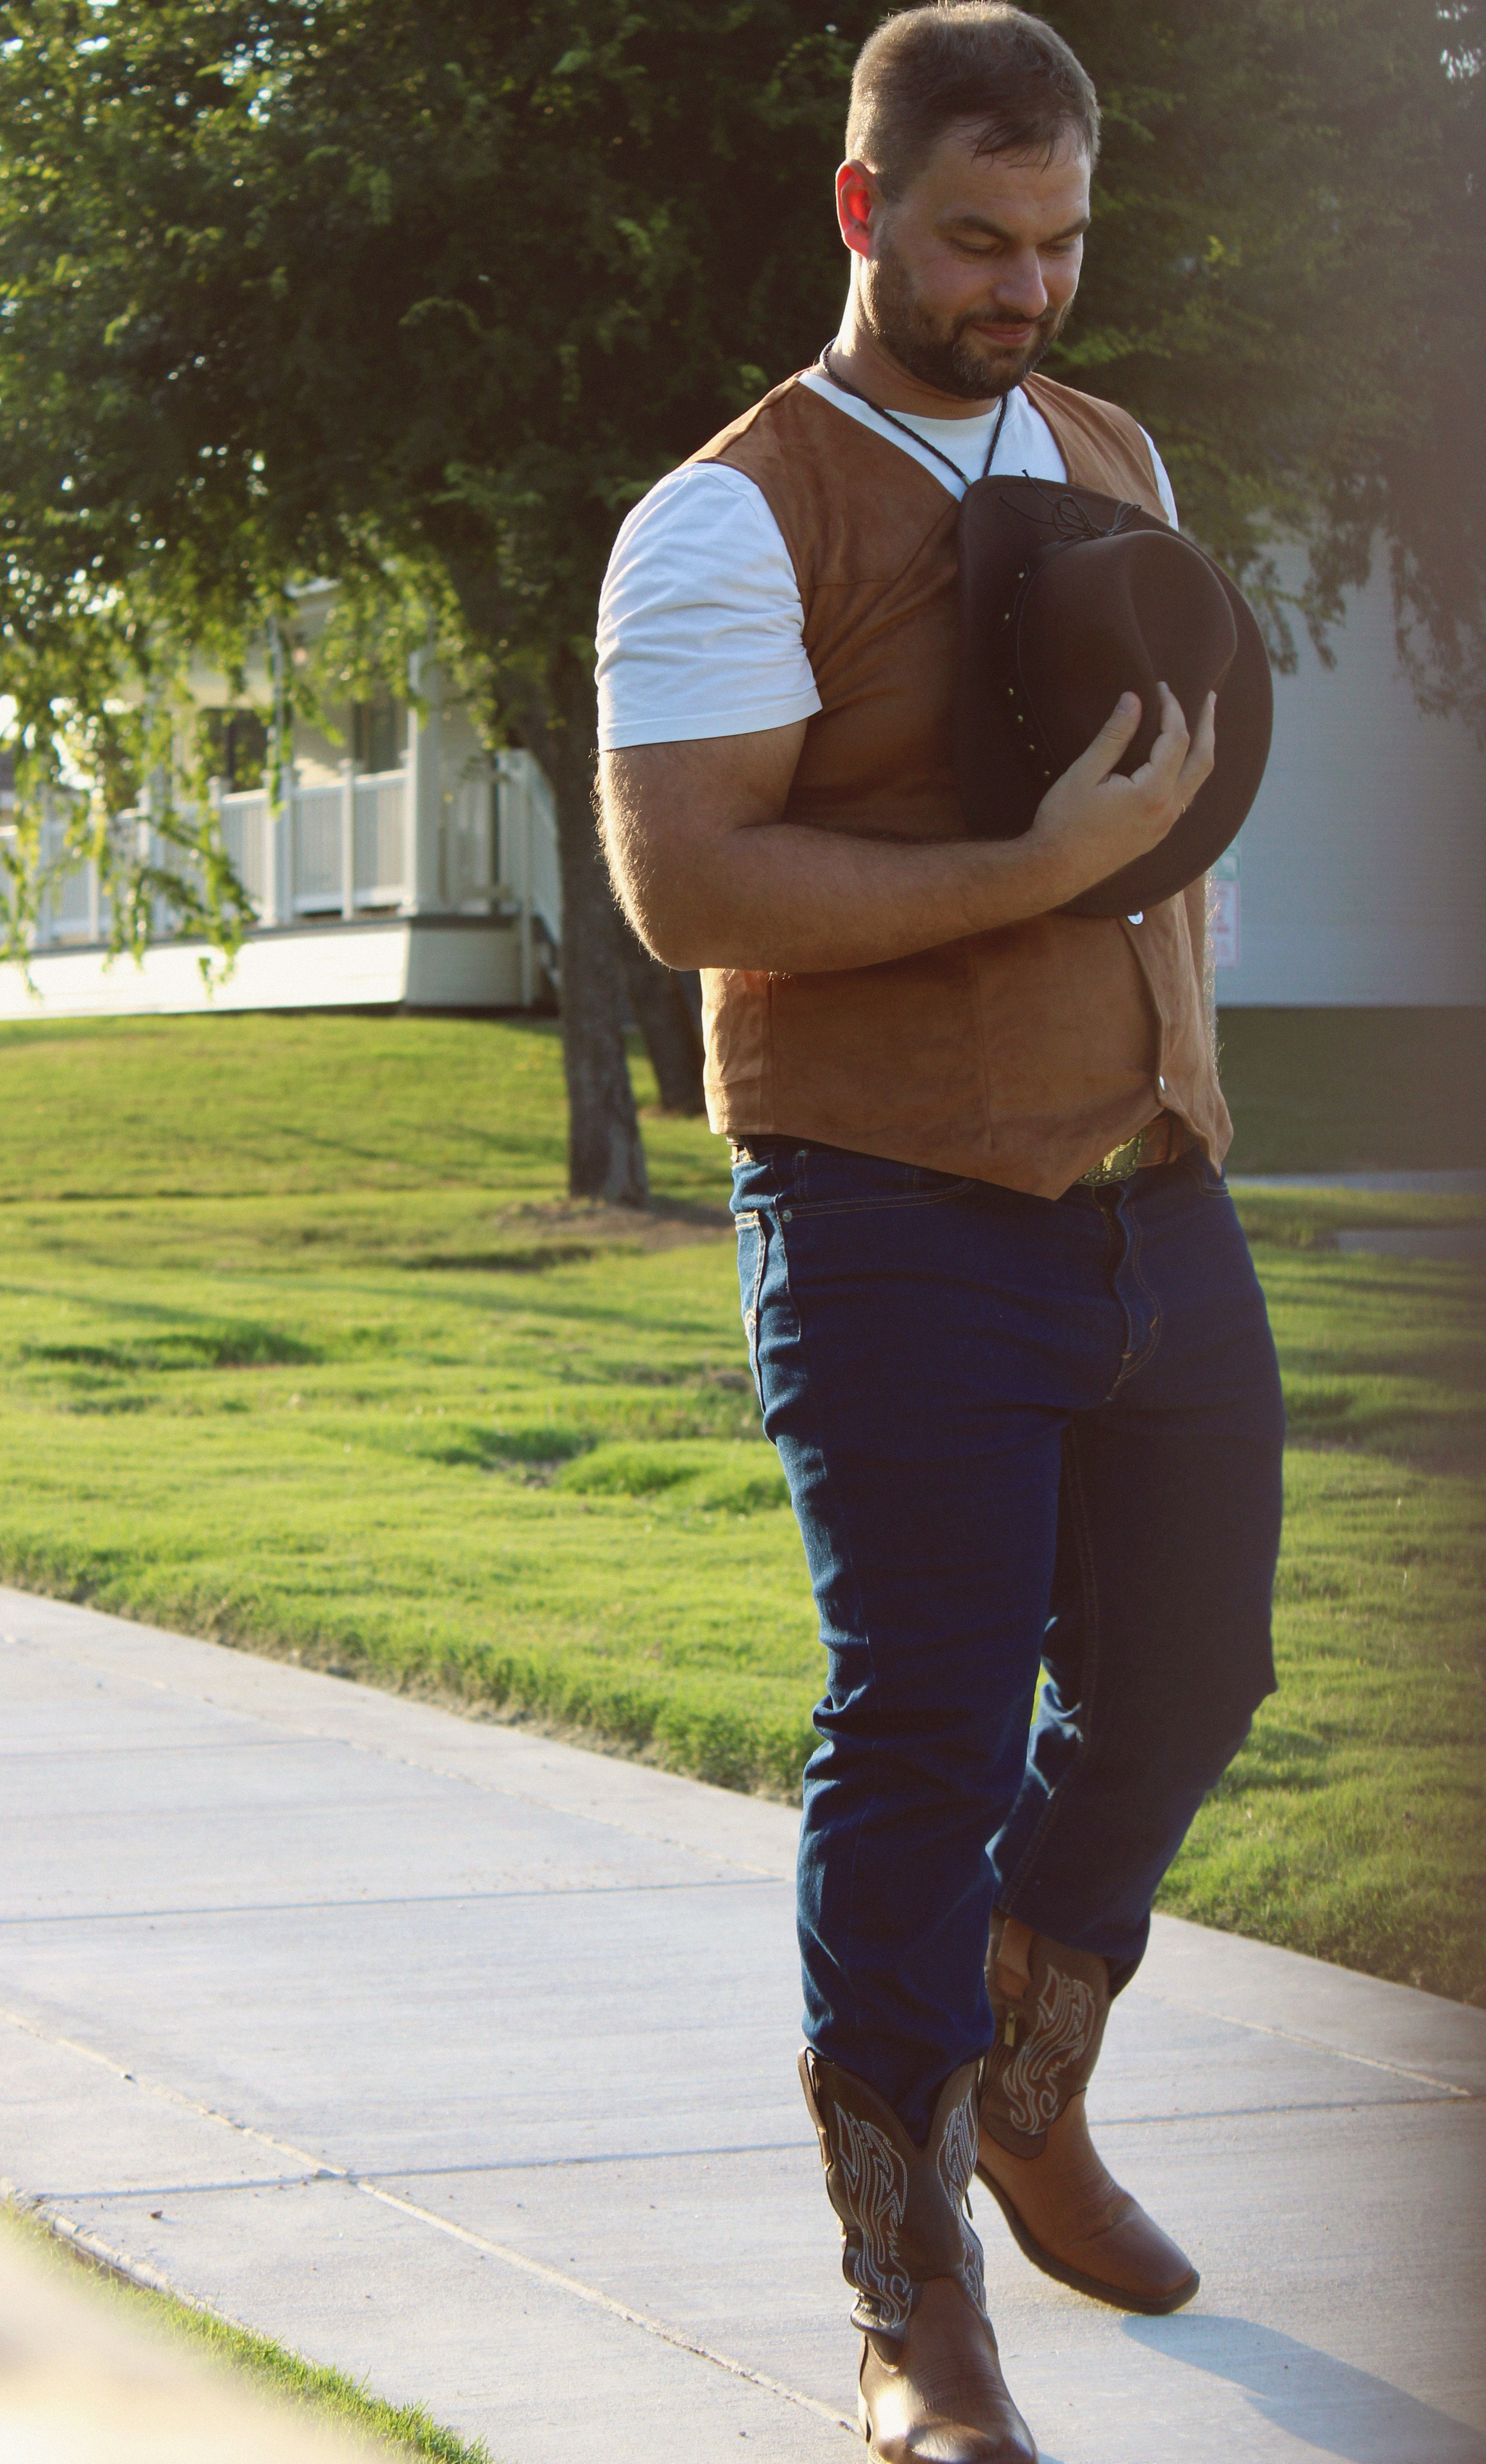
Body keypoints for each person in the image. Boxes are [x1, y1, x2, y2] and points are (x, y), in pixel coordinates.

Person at [595, 6, 1285, 2458]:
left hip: (1156, 1191)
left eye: (1065, 240)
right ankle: (914, 2297)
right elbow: (688, 886)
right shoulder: (729, 514)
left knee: (1199, 1674)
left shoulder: (1111, 451)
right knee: (925, 1733)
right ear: (865, 207)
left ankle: (1025, 2074)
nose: (1027, 289)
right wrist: (1023, 880)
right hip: (892, 1214)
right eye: (980, 240)